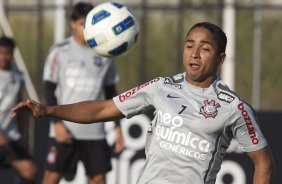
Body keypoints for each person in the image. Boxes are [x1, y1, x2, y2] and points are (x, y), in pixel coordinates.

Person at [12, 22, 275, 184]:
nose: (194, 53)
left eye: (205, 48)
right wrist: (48, 110)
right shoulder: (160, 87)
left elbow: (263, 162)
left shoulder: (234, 108)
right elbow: (103, 108)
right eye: (189, 45)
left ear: (221, 57)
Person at [41, 2, 124, 184]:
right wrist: (57, 124)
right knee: (51, 178)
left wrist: (117, 128)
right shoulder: (59, 51)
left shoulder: (105, 52)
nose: (86, 29)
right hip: (65, 129)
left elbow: (111, 91)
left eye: (89, 24)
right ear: (72, 23)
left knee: (98, 179)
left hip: (95, 131)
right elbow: (49, 88)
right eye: (82, 24)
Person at [0, 36, 37, 184]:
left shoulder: (17, 74)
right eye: (1, 52)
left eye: (8, 53)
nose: (4, 56)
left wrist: (21, 131)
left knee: (29, 169)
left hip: (8, 136)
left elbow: (18, 102)